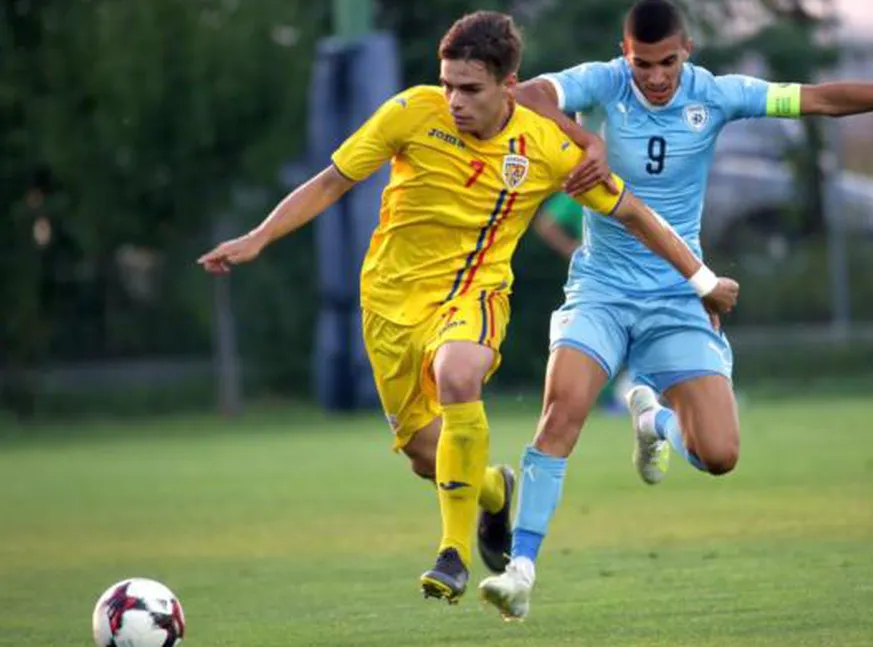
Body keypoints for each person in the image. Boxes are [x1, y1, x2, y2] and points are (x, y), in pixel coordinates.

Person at [478, 0, 873, 620]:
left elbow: (822, 99)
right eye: (642, 63)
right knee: (563, 412)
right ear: (626, 54)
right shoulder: (601, 82)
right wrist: (584, 135)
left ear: (687, 51)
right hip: (602, 291)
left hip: (679, 293)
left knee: (720, 455)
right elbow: (532, 94)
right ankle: (521, 570)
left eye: (666, 61)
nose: (654, 76)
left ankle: (654, 424)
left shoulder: (718, 95)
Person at [197, 9, 738, 605]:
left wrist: (701, 279)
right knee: (425, 457)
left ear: (510, 87)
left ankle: (451, 554)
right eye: (448, 84)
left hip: (475, 295)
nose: (454, 99)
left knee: (459, 373)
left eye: (470, 89)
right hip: (389, 303)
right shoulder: (410, 112)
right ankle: (492, 492)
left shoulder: (543, 148)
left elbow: (634, 213)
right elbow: (331, 181)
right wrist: (257, 238)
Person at [534, 191, 636, 415]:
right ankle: (611, 398)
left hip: (636, 276)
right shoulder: (590, 184)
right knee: (600, 338)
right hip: (599, 281)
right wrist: (573, 250)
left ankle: (633, 394)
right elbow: (546, 223)